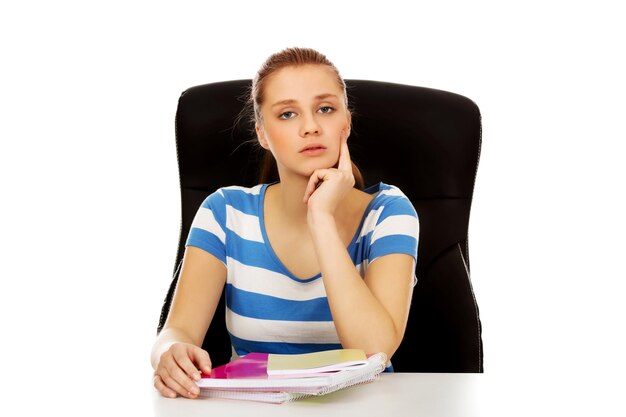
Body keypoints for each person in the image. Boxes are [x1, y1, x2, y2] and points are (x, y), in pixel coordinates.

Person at [151, 47, 419, 399]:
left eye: (325, 109)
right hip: (254, 407)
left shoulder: (389, 213)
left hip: (364, 406)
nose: (310, 127)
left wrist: (321, 218)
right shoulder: (224, 212)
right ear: (262, 133)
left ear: (346, 122)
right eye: (288, 114)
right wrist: (168, 354)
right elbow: (177, 331)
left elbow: (374, 351)